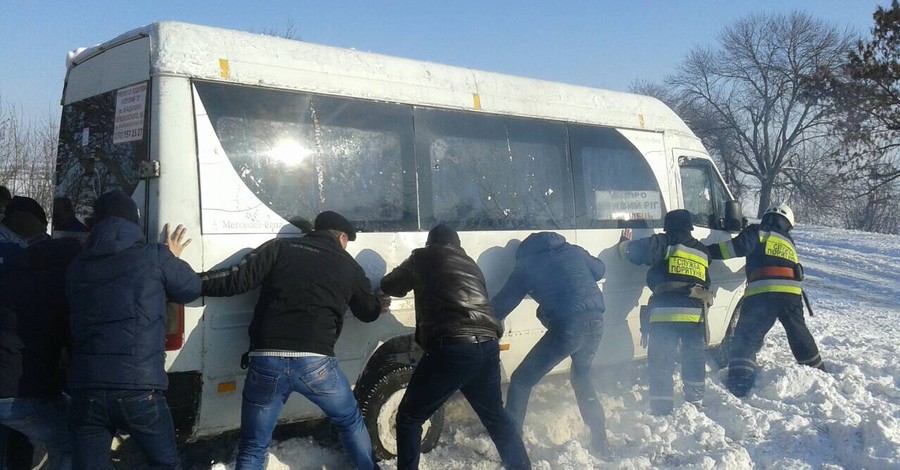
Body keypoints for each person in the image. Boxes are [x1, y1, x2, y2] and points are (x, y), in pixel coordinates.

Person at [200, 211, 386, 470]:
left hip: (267, 360)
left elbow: (235, 279)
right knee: (349, 420)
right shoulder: (349, 265)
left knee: (254, 445)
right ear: (342, 237)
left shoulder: (281, 248)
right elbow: (367, 312)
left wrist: (190, 280)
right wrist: (379, 303)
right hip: (316, 363)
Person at [66, 190, 200, 470]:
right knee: (164, 464)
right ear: (133, 222)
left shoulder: (77, 265)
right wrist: (170, 256)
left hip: (86, 388)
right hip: (138, 388)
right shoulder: (154, 256)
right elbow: (190, 289)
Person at [380, 224, 531, 470]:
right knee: (496, 418)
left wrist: (378, 288)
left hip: (453, 347)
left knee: (409, 417)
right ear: (458, 246)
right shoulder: (471, 264)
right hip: (488, 344)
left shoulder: (423, 257)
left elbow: (392, 285)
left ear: (431, 243)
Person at [491, 231, 609, 452]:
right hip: (597, 320)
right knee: (581, 377)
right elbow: (600, 269)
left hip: (568, 327)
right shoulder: (572, 251)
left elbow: (501, 305)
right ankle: (601, 440)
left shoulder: (527, 264)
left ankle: (510, 447)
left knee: (521, 380)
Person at [707, 203, 825, 398]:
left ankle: (740, 381)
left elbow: (735, 248)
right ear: (788, 223)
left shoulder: (759, 231)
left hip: (763, 292)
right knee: (798, 333)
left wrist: (705, 250)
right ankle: (818, 370)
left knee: (747, 335)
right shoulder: (788, 241)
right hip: (792, 294)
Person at [1, 197, 80, 470]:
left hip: (13, 389)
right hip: (17, 391)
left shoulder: (12, 275)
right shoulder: (51, 289)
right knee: (69, 439)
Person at [618, 209, 712, 415]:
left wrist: (623, 244)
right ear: (690, 228)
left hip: (664, 314)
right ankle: (694, 403)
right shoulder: (702, 251)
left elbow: (633, 253)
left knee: (661, 360)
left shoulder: (663, 242)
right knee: (694, 357)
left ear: (668, 227)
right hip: (696, 315)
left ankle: (662, 407)